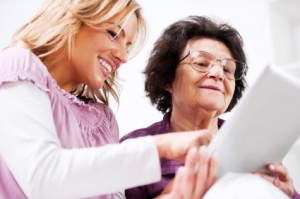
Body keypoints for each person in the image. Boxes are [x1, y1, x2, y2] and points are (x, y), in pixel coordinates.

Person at [0, 1, 217, 199]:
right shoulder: (17, 67)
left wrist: (175, 195)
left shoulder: (104, 122)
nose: (123, 56)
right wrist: (161, 145)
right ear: (73, 19)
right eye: (113, 34)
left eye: (128, 46)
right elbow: (44, 179)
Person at [121, 15, 300, 199]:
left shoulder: (255, 146)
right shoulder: (135, 148)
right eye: (201, 63)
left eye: (227, 70)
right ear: (167, 79)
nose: (217, 73)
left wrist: (288, 194)